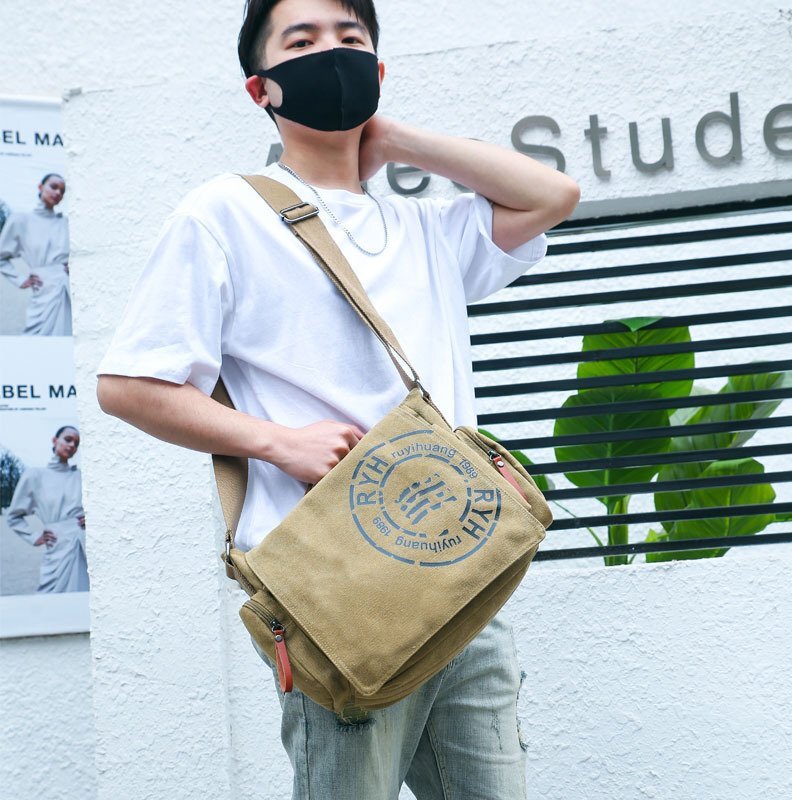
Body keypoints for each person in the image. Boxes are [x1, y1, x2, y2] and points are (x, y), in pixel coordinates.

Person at [96, 0, 580, 796]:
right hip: (337, 587)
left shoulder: (427, 228)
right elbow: (128, 386)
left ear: (377, 70)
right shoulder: (226, 214)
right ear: (262, 88)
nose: (331, 51)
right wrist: (277, 442)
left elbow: (553, 194)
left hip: (463, 572)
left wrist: (393, 139)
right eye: (303, 39)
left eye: (351, 38)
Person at [6, 425, 88, 593]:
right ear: (55, 440)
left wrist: (91, 519)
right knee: (50, 595)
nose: (72, 445)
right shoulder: (35, 475)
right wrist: (35, 536)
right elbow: (13, 516)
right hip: (56, 546)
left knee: (82, 596)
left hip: (81, 544)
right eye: (68, 439)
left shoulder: (80, 476)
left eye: (76, 443)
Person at [0, 173, 72, 336]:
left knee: (65, 337)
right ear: (40, 187)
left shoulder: (65, 223)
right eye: (54, 187)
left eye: (62, 191)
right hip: (42, 289)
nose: (58, 193)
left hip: (65, 289)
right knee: (36, 338)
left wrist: (73, 267)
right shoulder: (20, 220)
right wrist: (20, 279)